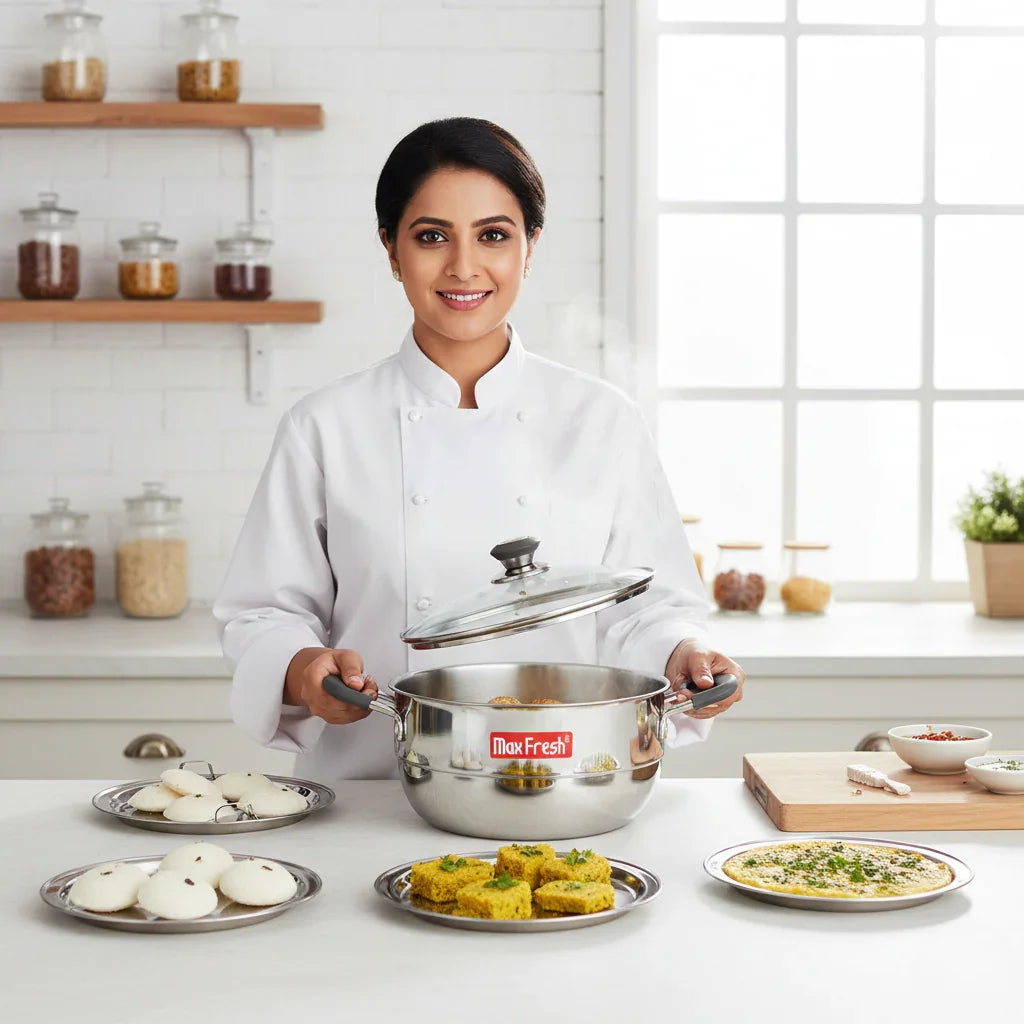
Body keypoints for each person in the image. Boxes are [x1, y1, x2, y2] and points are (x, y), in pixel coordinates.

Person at [213, 117, 746, 782]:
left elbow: (648, 607)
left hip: (574, 788)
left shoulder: (602, 418)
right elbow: (265, 609)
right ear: (390, 248)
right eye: (431, 236)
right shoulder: (324, 426)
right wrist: (302, 669)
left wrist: (683, 655)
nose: (463, 267)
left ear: (530, 247)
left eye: (493, 235)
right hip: (373, 792)